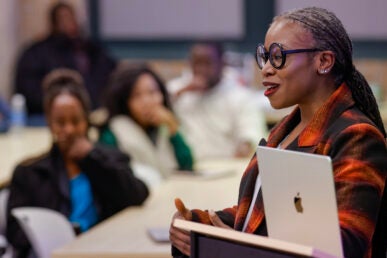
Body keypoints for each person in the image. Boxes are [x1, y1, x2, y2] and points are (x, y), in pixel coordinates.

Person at [169, 7, 387, 258]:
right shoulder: (284, 131)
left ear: (324, 61)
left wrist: (237, 248)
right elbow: (258, 213)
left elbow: (341, 248)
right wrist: (199, 225)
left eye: (278, 56)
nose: (266, 69)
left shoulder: (356, 136)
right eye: (264, 56)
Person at [6, 68, 149, 258]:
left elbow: (136, 195)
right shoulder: (30, 173)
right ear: (49, 123)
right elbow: (16, 234)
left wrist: (92, 159)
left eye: (76, 121)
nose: (69, 129)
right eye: (60, 122)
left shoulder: (111, 158)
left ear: (87, 120)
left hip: (104, 251)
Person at [14, 2, 116, 123]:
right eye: (61, 18)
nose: (67, 23)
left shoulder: (91, 50)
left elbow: (111, 78)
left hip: (92, 112)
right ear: (53, 23)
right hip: (46, 117)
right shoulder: (36, 54)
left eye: (70, 17)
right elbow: (29, 90)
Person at [167, 42, 267, 161]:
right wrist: (182, 92)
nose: (201, 69)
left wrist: (244, 147)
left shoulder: (240, 96)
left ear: (222, 64)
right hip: (184, 167)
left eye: (207, 63)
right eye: (197, 63)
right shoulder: (176, 90)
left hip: (227, 165)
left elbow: (251, 134)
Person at [99, 64, 194, 180]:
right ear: (125, 101)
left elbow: (187, 165)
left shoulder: (166, 124)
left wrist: (173, 129)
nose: (147, 101)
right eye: (137, 95)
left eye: (152, 92)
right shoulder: (114, 131)